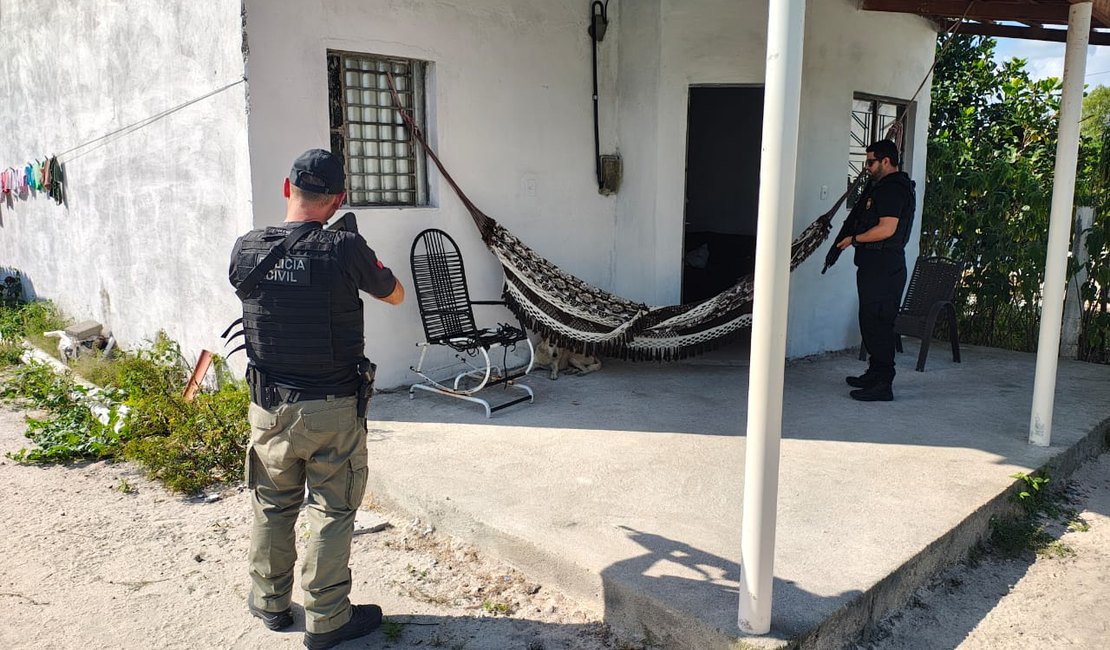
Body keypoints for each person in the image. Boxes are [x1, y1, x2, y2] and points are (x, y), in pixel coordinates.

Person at [228, 148, 404, 649]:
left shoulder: (246, 248)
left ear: (288, 190)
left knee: (272, 503)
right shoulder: (344, 248)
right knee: (332, 508)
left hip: (267, 406)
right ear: (338, 198)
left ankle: (269, 603)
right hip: (330, 405)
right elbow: (394, 294)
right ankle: (326, 619)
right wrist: (355, 250)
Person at [835, 139, 915, 402]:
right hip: (875, 268)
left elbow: (886, 229)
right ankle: (874, 373)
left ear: (886, 162)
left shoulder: (893, 190)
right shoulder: (882, 187)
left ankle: (883, 384)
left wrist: (855, 239)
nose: (867, 167)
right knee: (870, 322)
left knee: (880, 324)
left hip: (885, 268)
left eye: (871, 162)